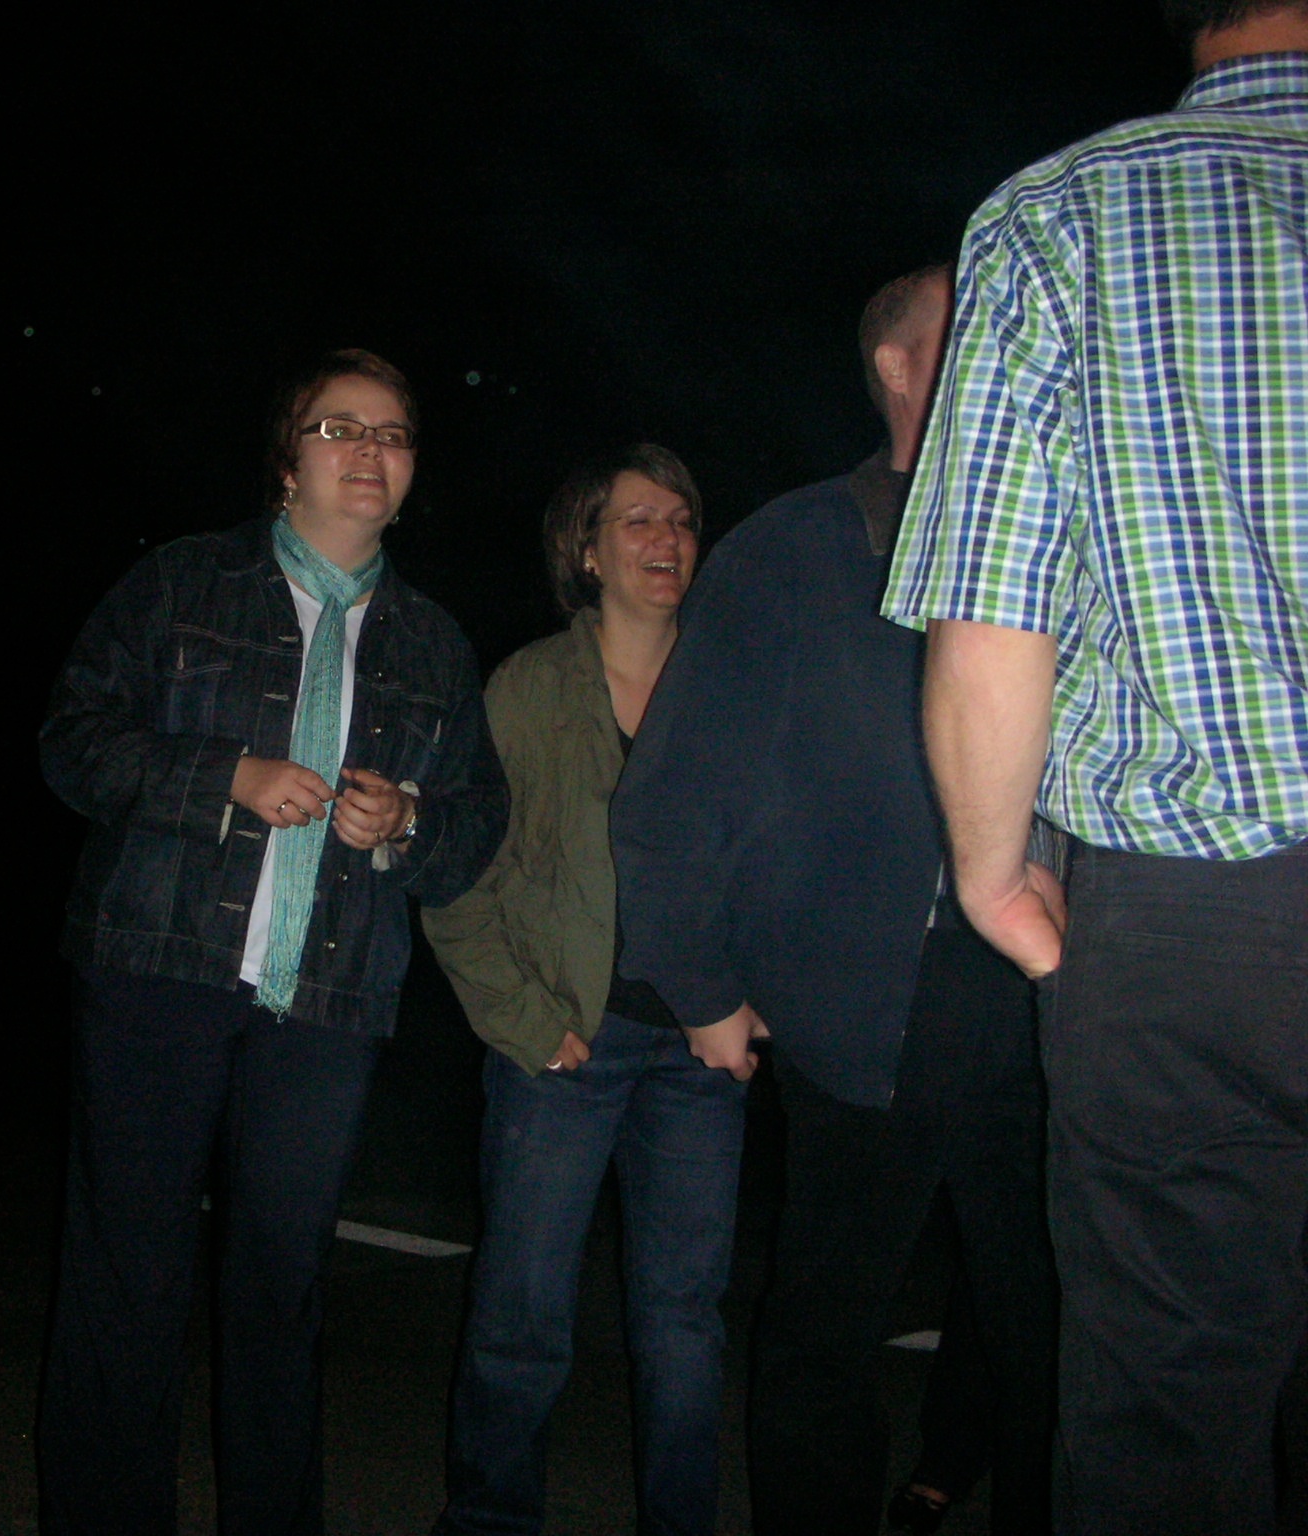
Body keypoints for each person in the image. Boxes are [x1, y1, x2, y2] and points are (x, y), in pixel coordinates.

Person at [883, 5, 1308, 1530]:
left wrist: (995, 873)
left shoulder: (1072, 213)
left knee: (1167, 1421)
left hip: (1196, 919)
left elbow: (995, 620)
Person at [611, 267, 1055, 1536]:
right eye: (965, 328)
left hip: (1045, 994)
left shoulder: (1056, 532)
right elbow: (669, 799)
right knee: (825, 1326)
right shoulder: (797, 547)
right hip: (864, 999)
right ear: (895, 366)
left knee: (1056, 1321)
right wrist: (701, 988)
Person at [37, 348, 507, 1535]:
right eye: (338, 428)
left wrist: (405, 821)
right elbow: (72, 741)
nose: (368, 451)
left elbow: (473, 827)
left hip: (326, 1002)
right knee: (126, 1277)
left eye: (391, 434)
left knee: (281, 1287)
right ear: (286, 463)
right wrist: (225, 776)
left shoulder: (432, 643)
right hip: (157, 973)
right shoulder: (182, 584)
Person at [421, 446, 745, 1536]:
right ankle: (490, 1519)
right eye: (638, 520)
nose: (667, 539)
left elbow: (781, 856)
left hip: (699, 1052)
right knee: (521, 1315)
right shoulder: (526, 689)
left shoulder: (731, 684)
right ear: (588, 551)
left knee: (684, 1324)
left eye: (682, 520)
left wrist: (757, 1000)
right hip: (565, 1044)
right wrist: (527, 1022)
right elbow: (459, 874)